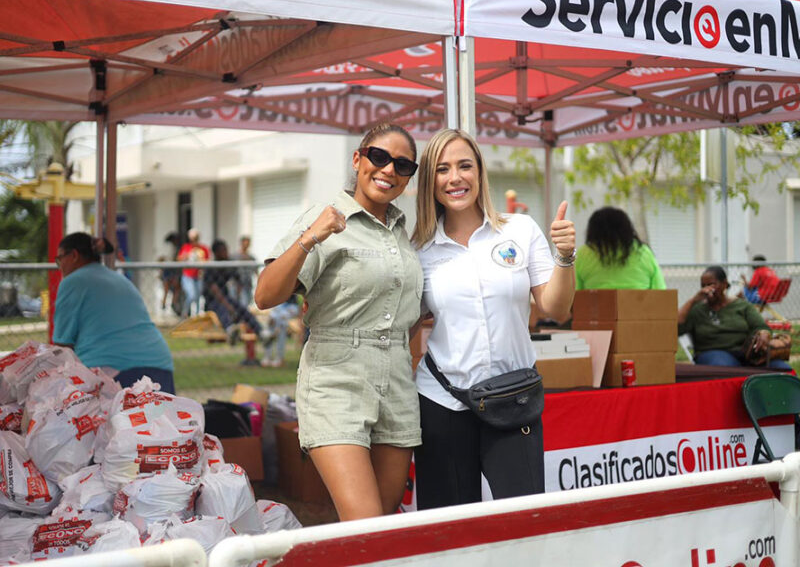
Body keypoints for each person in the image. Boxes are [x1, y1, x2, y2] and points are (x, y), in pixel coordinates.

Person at [255, 123, 423, 521]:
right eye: (378, 157)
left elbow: (403, 313)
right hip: (337, 380)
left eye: (402, 165)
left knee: (381, 530)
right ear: (358, 159)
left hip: (397, 385)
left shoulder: (400, 232)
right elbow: (265, 295)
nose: (388, 170)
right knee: (364, 521)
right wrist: (311, 237)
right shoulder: (327, 216)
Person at [410, 128, 576, 509]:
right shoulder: (418, 248)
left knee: (525, 522)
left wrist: (564, 256)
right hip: (442, 402)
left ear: (480, 172)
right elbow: (406, 326)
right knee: (449, 531)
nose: (455, 178)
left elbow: (555, 309)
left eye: (465, 166)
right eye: (442, 169)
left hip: (514, 399)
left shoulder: (520, 230)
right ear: (429, 181)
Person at [52, 232, 176, 393]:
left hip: (113, 370)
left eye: (59, 259)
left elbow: (63, 346)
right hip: (159, 364)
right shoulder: (119, 279)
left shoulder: (72, 282)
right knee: (161, 419)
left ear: (74, 255)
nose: (60, 266)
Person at [678, 265, 791, 370]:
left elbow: (760, 326)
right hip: (712, 353)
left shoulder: (742, 306)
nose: (706, 290)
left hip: (745, 354)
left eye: (711, 285)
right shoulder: (697, 309)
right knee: (727, 367)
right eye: (703, 286)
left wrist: (763, 333)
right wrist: (693, 301)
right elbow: (676, 328)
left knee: (781, 369)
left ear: (724, 284)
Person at [575, 206, 665, 290]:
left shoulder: (583, 254)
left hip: (595, 306)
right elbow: (660, 291)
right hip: (640, 306)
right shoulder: (643, 252)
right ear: (627, 229)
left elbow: (572, 294)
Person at [203, 239, 267, 346]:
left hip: (226, 298)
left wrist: (236, 297)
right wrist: (229, 306)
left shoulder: (228, 264)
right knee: (222, 309)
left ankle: (261, 332)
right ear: (216, 253)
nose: (226, 252)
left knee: (243, 310)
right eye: (223, 250)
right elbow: (215, 291)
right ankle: (230, 330)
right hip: (212, 301)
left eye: (226, 249)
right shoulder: (211, 267)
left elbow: (238, 281)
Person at [261, 294, 300, 368]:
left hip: (291, 306)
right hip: (279, 306)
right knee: (271, 321)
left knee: (281, 321)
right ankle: (268, 356)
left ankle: (279, 357)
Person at [178, 228, 210, 317]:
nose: (194, 240)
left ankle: (196, 316)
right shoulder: (186, 247)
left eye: (196, 238)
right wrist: (186, 256)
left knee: (198, 297)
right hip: (188, 276)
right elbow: (179, 258)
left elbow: (207, 260)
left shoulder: (203, 248)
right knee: (191, 295)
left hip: (199, 276)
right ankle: (185, 313)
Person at [160, 232, 182, 315]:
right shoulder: (171, 248)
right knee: (174, 287)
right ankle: (170, 303)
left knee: (170, 288)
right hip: (169, 269)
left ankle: (166, 304)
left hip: (169, 269)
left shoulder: (170, 247)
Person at [232, 235, 256, 307]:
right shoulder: (235, 256)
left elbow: (255, 270)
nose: (246, 245)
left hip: (248, 283)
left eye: (248, 244)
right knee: (239, 303)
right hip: (237, 284)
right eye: (245, 243)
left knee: (247, 303)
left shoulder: (251, 257)